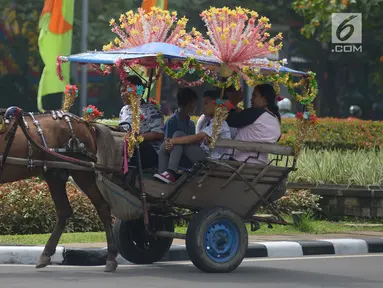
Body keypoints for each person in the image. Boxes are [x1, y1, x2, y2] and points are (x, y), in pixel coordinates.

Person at [154, 90, 232, 184]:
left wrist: (173, 141)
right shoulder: (206, 121)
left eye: (205, 103)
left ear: (215, 105)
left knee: (177, 136)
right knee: (166, 143)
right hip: (200, 156)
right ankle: (163, 176)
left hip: (211, 161)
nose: (203, 106)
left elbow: (197, 138)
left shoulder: (219, 123)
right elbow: (197, 141)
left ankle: (171, 172)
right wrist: (171, 142)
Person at [226, 83, 281, 165]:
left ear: (264, 100)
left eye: (254, 96)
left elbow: (229, 119)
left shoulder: (257, 112)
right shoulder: (275, 119)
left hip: (238, 163)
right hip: (260, 166)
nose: (251, 99)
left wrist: (233, 101)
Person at [119, 75, 165, 170]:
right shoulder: (124, 110)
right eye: (121, 91)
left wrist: (137, 138)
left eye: (125, 90)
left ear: (136, 90)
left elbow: (159, 134)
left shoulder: (151, 110)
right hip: (128, 146)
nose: (122, 94)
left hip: (150, 151)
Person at [157, 88, 198, 174]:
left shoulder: (191, 124)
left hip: (187, 158)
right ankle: (170, 171)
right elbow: (167, 144)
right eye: (194, 103)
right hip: (172, 158)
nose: (195, 106)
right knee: (177, 136)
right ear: (190, 104)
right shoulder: (172, 122)